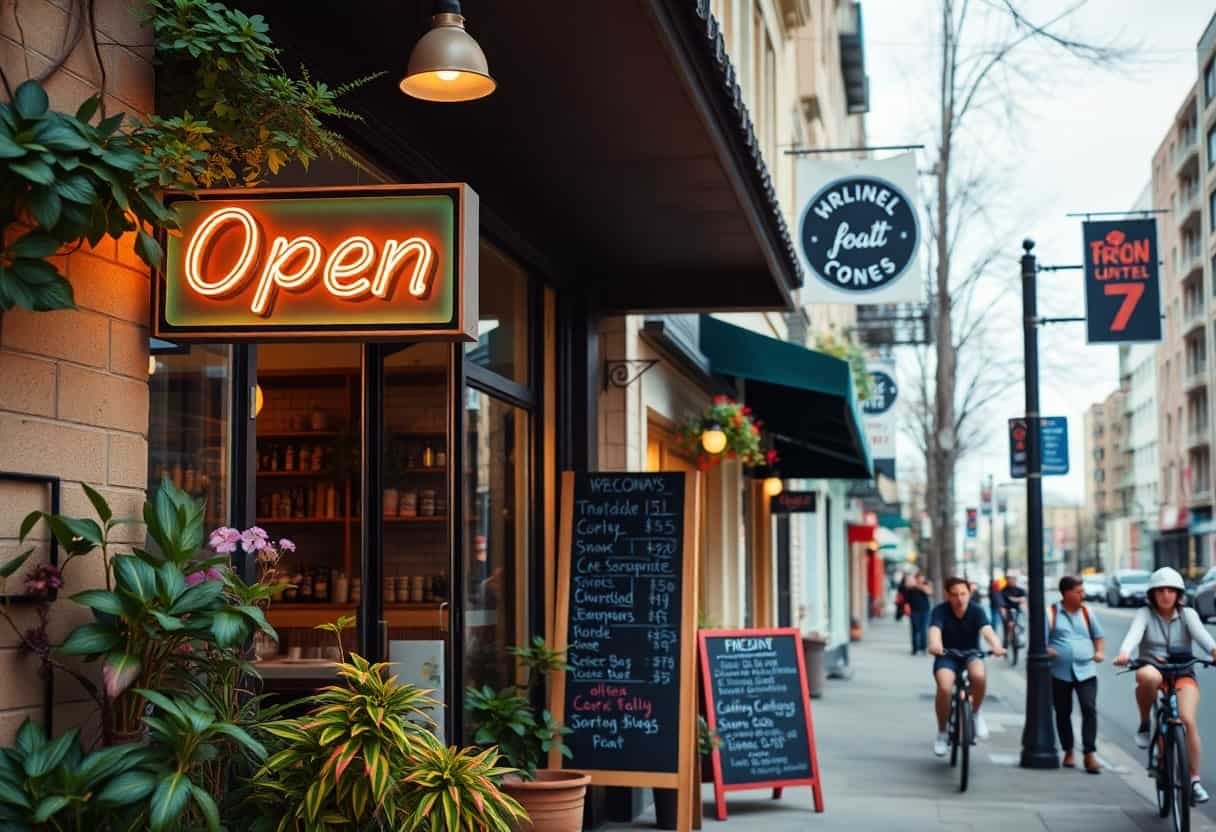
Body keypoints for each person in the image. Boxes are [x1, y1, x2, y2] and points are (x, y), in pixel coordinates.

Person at [1114, 566, 1216, 804]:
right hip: (1152, 668)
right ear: (1152, 594)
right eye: (1160, 590)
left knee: (1187, 720)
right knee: (1149, 677)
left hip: (1182, 672)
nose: (1166, 595)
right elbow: (1133, 636)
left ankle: (1194, 780)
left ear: (1179, 593)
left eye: (1171, 590)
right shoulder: (1144, 614)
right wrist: (1124, 653)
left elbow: (1205, 638)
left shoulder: (1188, 614)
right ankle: (1144, 723)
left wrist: (1214, 651)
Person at [928, 577, 1006, 756]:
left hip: (972, 654)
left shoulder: (976, 611)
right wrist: (934, 643)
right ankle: (942, 732)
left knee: (978, 676)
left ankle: (976, 714)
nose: (960, 599)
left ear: (969, 593)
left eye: (963, 594)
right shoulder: (940, 611)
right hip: (946, 655)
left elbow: (987, 631)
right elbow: (934, 631)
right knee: (945, 688)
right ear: (948, 595)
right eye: (955, 595)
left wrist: (996, 645)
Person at [1046, 575, 1105, 774]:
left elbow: (1098, 636)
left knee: (1089, 709)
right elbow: (1041, 641)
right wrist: (1048, 650)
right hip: (1060, 673)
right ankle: (1068, 751)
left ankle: (1089, 754)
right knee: (1063, 712)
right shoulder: (1052, 613)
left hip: (1086, 670)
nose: (1083, 595)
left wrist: (1099, 652)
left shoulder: (1087, 612)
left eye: (1082, 591)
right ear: (1066, 593)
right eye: (1078, 591)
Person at [904, 572, 932, 655]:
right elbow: (906, 600)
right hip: (914, 611)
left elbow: (929, 592)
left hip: (925, 611)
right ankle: (915, 649)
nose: (921, 579)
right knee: (915, 630)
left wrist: (919, 585)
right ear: (916, 578)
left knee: (923, 630)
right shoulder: (911, 588)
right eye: (919, 578)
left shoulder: (926, 585)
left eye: (922, 578)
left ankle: (923, 648)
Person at [1000, 573, 1029, 645]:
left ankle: (1019, 641)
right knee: (1008, 630)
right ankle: (1006, 644)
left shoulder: (1020, 590)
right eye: (1009, 579)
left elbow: (1024, 600)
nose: (1011, 580)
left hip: (1019, 612)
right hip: (1008, 612)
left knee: (1021, 627)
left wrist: (1014, 599)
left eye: (1013, 579)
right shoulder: (1003, 590)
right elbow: (1002, 604)